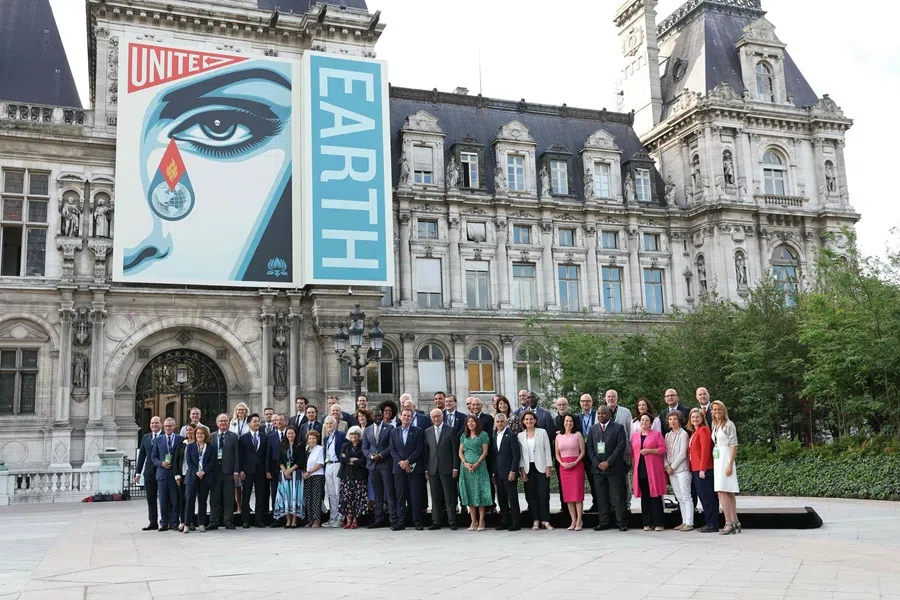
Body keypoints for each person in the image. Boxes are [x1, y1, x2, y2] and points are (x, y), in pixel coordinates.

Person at [587, 406, 629, 532]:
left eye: (603, 413)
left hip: (614, 469)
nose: (600, 415)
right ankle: (604, 522)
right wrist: (597, 463)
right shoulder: (593, 429)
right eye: (599, 413)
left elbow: (621, 446)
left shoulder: (618, 427)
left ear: (609, 414)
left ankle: (621, 522)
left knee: (618, 496)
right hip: (598, 469)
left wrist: (608, 462)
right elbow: (590, 447)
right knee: (602, 497)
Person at [389, 407, 426, 530]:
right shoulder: (394, 431)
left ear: (412, 418)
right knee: (400, 496)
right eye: (404, 415)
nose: (406, 418)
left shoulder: (418, 431)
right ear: (400, 416)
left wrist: (408, 461)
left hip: (414, 468)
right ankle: (400, 522)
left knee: (415, 496)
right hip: (398, 469)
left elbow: (419, 449)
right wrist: (401, 462)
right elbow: (392, 449)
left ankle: (417, 522)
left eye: (409, 416)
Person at [424, 408, 460, 530]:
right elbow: (426, 452)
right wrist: (426, 470)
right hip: (433, 468)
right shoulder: (427, 431)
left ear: (442, 416)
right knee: (435, 496)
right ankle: (436, 521)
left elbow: (455, 451)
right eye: (433, 417)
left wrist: (455, 467)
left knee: (449, 496)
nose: (436, 419)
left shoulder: (451, 430)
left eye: (438, 416)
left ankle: (452, 521)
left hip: (447, 468)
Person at [518, 410, 554, 530]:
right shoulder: (520, 436)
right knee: (531, 495)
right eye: (526, 419)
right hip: (528, 468)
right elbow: (521, 456)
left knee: (543, 494)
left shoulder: (542, 432)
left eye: (531, 419)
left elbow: (547, 450)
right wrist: (522, 471)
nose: (529, 421)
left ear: (535, 420)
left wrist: (549, 466)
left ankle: (545, 520)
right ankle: (536, 520)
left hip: (541, 467)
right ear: (523, 421)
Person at [631, 413, 666, 531]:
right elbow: (632, 452)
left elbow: (662, 449)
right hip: (640, 469)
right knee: (645, 497)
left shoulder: (656, 434)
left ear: (651, 423)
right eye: (642, 420)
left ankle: (659, 523)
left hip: (653, 469)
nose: (644, 422)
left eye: (646, 420)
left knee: (655, 496)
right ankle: (647, 522)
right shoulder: (635, 436)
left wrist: (649, 451)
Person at [711, 400, 740, 534]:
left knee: (724, 490)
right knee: (725, 491)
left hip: (726, 458)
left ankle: (728, 522)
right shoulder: (715, 424)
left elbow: (734, 445)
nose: (717, 412)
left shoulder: (729, 425)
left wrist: (730, 464)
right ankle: (735, 521)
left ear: (724, 410)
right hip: (718, 458)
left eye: (719, 409)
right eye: (714, 409)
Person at [687, 408, 719, 533]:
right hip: (695, 469)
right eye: (692, 417)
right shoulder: (694, 432)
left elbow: (705, 450)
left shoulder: (704, 430)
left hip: (703, 469)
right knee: (703, 497)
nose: (695, 419)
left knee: (708, 497)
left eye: (697, 417)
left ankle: (712, 524)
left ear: (702, 418)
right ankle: (709, 522)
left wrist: (702, 468)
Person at [363, 407, 396, 529]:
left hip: (385, 464)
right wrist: (371, 456)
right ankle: (378, 519)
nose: (378, 417)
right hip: (373, 466)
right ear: (371, 417)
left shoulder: (390, 428)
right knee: (377, 495)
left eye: (379, 415)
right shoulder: (367, 430)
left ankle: (393, 520)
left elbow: (391, 446)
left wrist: (381, 455)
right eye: (375, 416)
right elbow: (364, 448)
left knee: (389, 493)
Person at [458, 414, 491, 531]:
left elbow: (485, 451)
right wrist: (465, 463)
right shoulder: (464, 436)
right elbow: (460, 452)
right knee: (469, 493)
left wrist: (477, 463)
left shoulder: (483, 435)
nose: (470, 423)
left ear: (477, 423)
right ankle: (473, 521)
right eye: (468, 422)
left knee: (480, 493)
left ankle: (482, 520)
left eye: (473, 421)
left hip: (480, 468)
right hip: (466, 469)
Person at [151, 417, 184, 531]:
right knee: (163, 500)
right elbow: (153, 457)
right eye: (166, 426)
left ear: (174, 427)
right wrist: (161, 463)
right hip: (162, 474)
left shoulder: (181, 439)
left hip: (175, 475)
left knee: (175, 500)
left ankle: (174, 523)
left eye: (170, 426)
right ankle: (164, 523)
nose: (168, 428)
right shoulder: (158, 440)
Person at [490, 413, 521, 531]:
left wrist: (513, 470)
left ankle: (516, 522)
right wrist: (493, 473)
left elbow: (516, 455)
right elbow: (494, 456)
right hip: (498, 473)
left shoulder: (511, 435)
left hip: (509, 473)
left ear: (506, 422)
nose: (499, 424)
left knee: (512, 498)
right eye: (497, 422)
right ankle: (505, 521)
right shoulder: (494, 436)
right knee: (501, 499)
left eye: (501, 421)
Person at [209, 413, 240, 530]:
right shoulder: (211, 436)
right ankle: (213, 521)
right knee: (214, 499)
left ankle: (228, 521)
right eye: (221, 421)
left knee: (228, 498)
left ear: (228, 423)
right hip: (215, 472)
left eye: (225, 421)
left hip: (229, 472)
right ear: (217, 423)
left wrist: (236, 471)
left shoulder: (233, 436)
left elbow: (237, 455)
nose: (223, 423)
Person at [555, 414, 586, 531]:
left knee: (577, 495)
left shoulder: (577, 435)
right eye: (567, 421)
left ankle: (579, 520)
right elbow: (557, 454)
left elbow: (582, 451)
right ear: (563, 422)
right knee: (568, 496)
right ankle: (573, 520)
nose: (569, 423)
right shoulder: (558, 437)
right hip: (564, 468)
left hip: (576, 466)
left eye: (571, 421)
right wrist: (562, 463)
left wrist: (575, 462)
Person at [664, 411, 693, 531]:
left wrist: (673, 466)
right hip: (671, 471)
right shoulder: (667, 435)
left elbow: (683, 453)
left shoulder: (683, 434)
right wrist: (666, 466)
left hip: (681, 470)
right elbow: (664, 453)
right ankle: (683, 521)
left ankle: (689, 522)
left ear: (679, 420)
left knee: (686, 496)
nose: (672, 422)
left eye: (675, 419)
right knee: (679, 497)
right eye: (670, 419)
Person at [238, 413, 268, 528]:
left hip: (260, 471)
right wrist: (240, 470)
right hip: (247, 470)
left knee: (260, 496)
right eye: (254, 421)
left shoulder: (264, 437)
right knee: (246, 495)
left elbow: (266, 455)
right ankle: (245, 521)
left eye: (258, 421)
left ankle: (258, 520)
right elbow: (241, 455)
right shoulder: (243, 438)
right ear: (249, 423)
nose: (257, 423)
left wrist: (266, 470)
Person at [274, 426, 305, 528]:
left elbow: (301, 460)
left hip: (296, 474)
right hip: (284, 475)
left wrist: (290, 470)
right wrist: (285, 471)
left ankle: (294, 520)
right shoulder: (282, 445)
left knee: (295, 496)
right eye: (288, 433)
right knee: (286, 496)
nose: (290, 435)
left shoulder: (300, 445)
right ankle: (288, 520)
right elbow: (278, 460)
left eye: (292, 433)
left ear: (295, 434)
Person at [185, 425, 214, 533]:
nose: (199, 435)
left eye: (201, 433)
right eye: (197, 433)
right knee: (189, 501)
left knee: (202, 501)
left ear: (205, 435)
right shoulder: (190, 446)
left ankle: (201, 523)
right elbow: (189, 462)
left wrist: (204, 471)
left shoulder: (211, 447)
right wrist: (196, 471)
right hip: (192, 477)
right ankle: (187, 524)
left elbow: (212, 462)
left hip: (205, 477)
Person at [339, 425, 368, 529]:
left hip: (358, 476)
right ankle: (348, 520)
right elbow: (341, 458)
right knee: (346, 499)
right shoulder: (345, 445)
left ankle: (355, 520)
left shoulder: (363, 446)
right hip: (346, 476)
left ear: (359, 435)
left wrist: (349, 460)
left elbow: (363, 460)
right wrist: (352, 460)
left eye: (356, 434)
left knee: (356, 498)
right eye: (351, 434)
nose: (354, 436)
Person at [136, 416, 161, 531]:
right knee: (150, 499)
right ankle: (153, 522)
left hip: (162, 472)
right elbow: (142, 456)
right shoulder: (146, 437)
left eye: (156, 423)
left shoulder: (165, 436)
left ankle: (168, 521)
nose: (154, 425)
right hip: (149, 473)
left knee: (165, 499)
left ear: (160, 424)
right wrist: (137, 472)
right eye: (152, 423)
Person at [322, 416, 347, 528]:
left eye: (331, 423)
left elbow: (345, 448)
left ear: (336, 424)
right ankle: (332, 517)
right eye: (327, 424)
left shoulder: (341, 435)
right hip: (328, 464)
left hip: (337, 463)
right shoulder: (326, 438)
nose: (329, 425)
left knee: (338, 492)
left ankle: (341, 516)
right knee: (331, 493)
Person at [576, 394, 598, 512]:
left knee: (596, 479)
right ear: (580, 403)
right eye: (583, 401)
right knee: (587, 479)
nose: (585, 403)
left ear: (591, 402)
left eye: (587, 401)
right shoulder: (576, 417)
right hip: (580, 452)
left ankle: (599, 503)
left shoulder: (597, 415)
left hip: (595, 451)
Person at [173, 423, 195, 532]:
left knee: (190, 498)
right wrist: (176, 475)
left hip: (192, 475)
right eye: (187, 430)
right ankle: (182, 522)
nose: (189, 432)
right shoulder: (182, 443)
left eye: (191, 430)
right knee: (182, 498)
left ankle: (190, 521)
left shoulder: (197, 443)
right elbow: (176, 459)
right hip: (181, 474)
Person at [267, 413, 287, 526]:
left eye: (281, 420)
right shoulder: (271, 436)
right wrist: (267, 470)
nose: (279, 422)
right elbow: (268, 454)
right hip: (274, 467)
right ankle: (277, 518)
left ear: (285, 422)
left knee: (287, 492)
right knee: (275, 493)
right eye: (277, 420)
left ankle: (287, 517)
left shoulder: (290, 434)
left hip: (287, 467)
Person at [229, 402, 250, 512]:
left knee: (245, 482)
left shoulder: (249, 422)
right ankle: (238, 505)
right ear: (236, 411)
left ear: (246, 411)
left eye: (243, 410)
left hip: (246, 451)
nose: (241, 412)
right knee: (237, 484)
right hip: (235, 450)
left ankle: (245, 504)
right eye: (239, 410)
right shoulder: (233, 422)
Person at [303, 430, 326, 527]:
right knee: (308, 498)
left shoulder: (320, 449)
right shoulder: (306, 449)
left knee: (316, 498)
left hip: (317, 475)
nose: (311, 440)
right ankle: (310, 519)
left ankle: (317, 520)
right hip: (307, 477)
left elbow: (320, 463)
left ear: (317, 439)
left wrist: (309, 472)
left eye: (313, 438)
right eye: (309, 438)